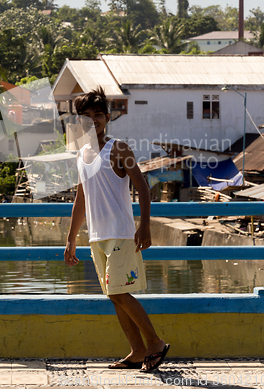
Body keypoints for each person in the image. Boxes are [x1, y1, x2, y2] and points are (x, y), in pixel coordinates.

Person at [64, 86, 169, 372]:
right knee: (114, 295)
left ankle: (155, 343)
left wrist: (144, 226)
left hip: (121, 233)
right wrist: (71, 238)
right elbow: (80, 199)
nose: (92, 121)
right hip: (97, 236)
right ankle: (136, 351)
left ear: (107, 117)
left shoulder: (118, 148)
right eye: (86, 116)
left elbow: (143, 189)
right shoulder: (81, 155)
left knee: (120, 293)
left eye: (97, 115)